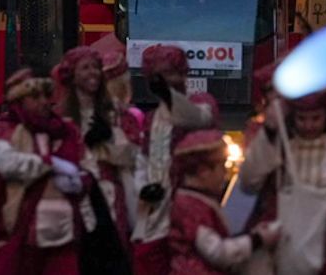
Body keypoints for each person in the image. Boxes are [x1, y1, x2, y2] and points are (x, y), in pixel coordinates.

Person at [238, 88, 326, 275]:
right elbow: (249, 181)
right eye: (302, 119)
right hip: (284, 246)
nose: (308, 126)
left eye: (315, 118)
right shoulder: (276, 141)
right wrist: (270, 131)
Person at [0, 69, 89, 274]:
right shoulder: (6, 128)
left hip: (65, 226)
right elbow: (5, 162)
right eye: (35, 96)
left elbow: (84, 164)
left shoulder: (64, 129)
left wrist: (80, 179)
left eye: (46, 96)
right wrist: (49, 164)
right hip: (22, 225)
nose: (43, 102)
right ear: (19, 100)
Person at [133, 44, 218, 275]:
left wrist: (170, 97)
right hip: (156, 209)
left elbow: (199, 118)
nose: (167, 80)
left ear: (183, 73)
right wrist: (144, 187)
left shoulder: (202, 101)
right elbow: (143, 158)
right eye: (159, 76)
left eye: (171, 72)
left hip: (189, 207)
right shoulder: (151, 118)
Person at [51, 46, 136, 254]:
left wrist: (108, 145)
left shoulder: (117, 113)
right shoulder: (58, 116)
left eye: (96, 67)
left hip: (110, 197)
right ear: (72, 74)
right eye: (85, 68)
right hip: (72, 198)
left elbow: (134, 155)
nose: (93, 73)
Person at [168, 129, 281, 274]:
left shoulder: (196, 201)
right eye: (222, 166)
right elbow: (217, 252)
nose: (225, 173)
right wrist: (256, 240)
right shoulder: (190, 209)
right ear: (203, 171)